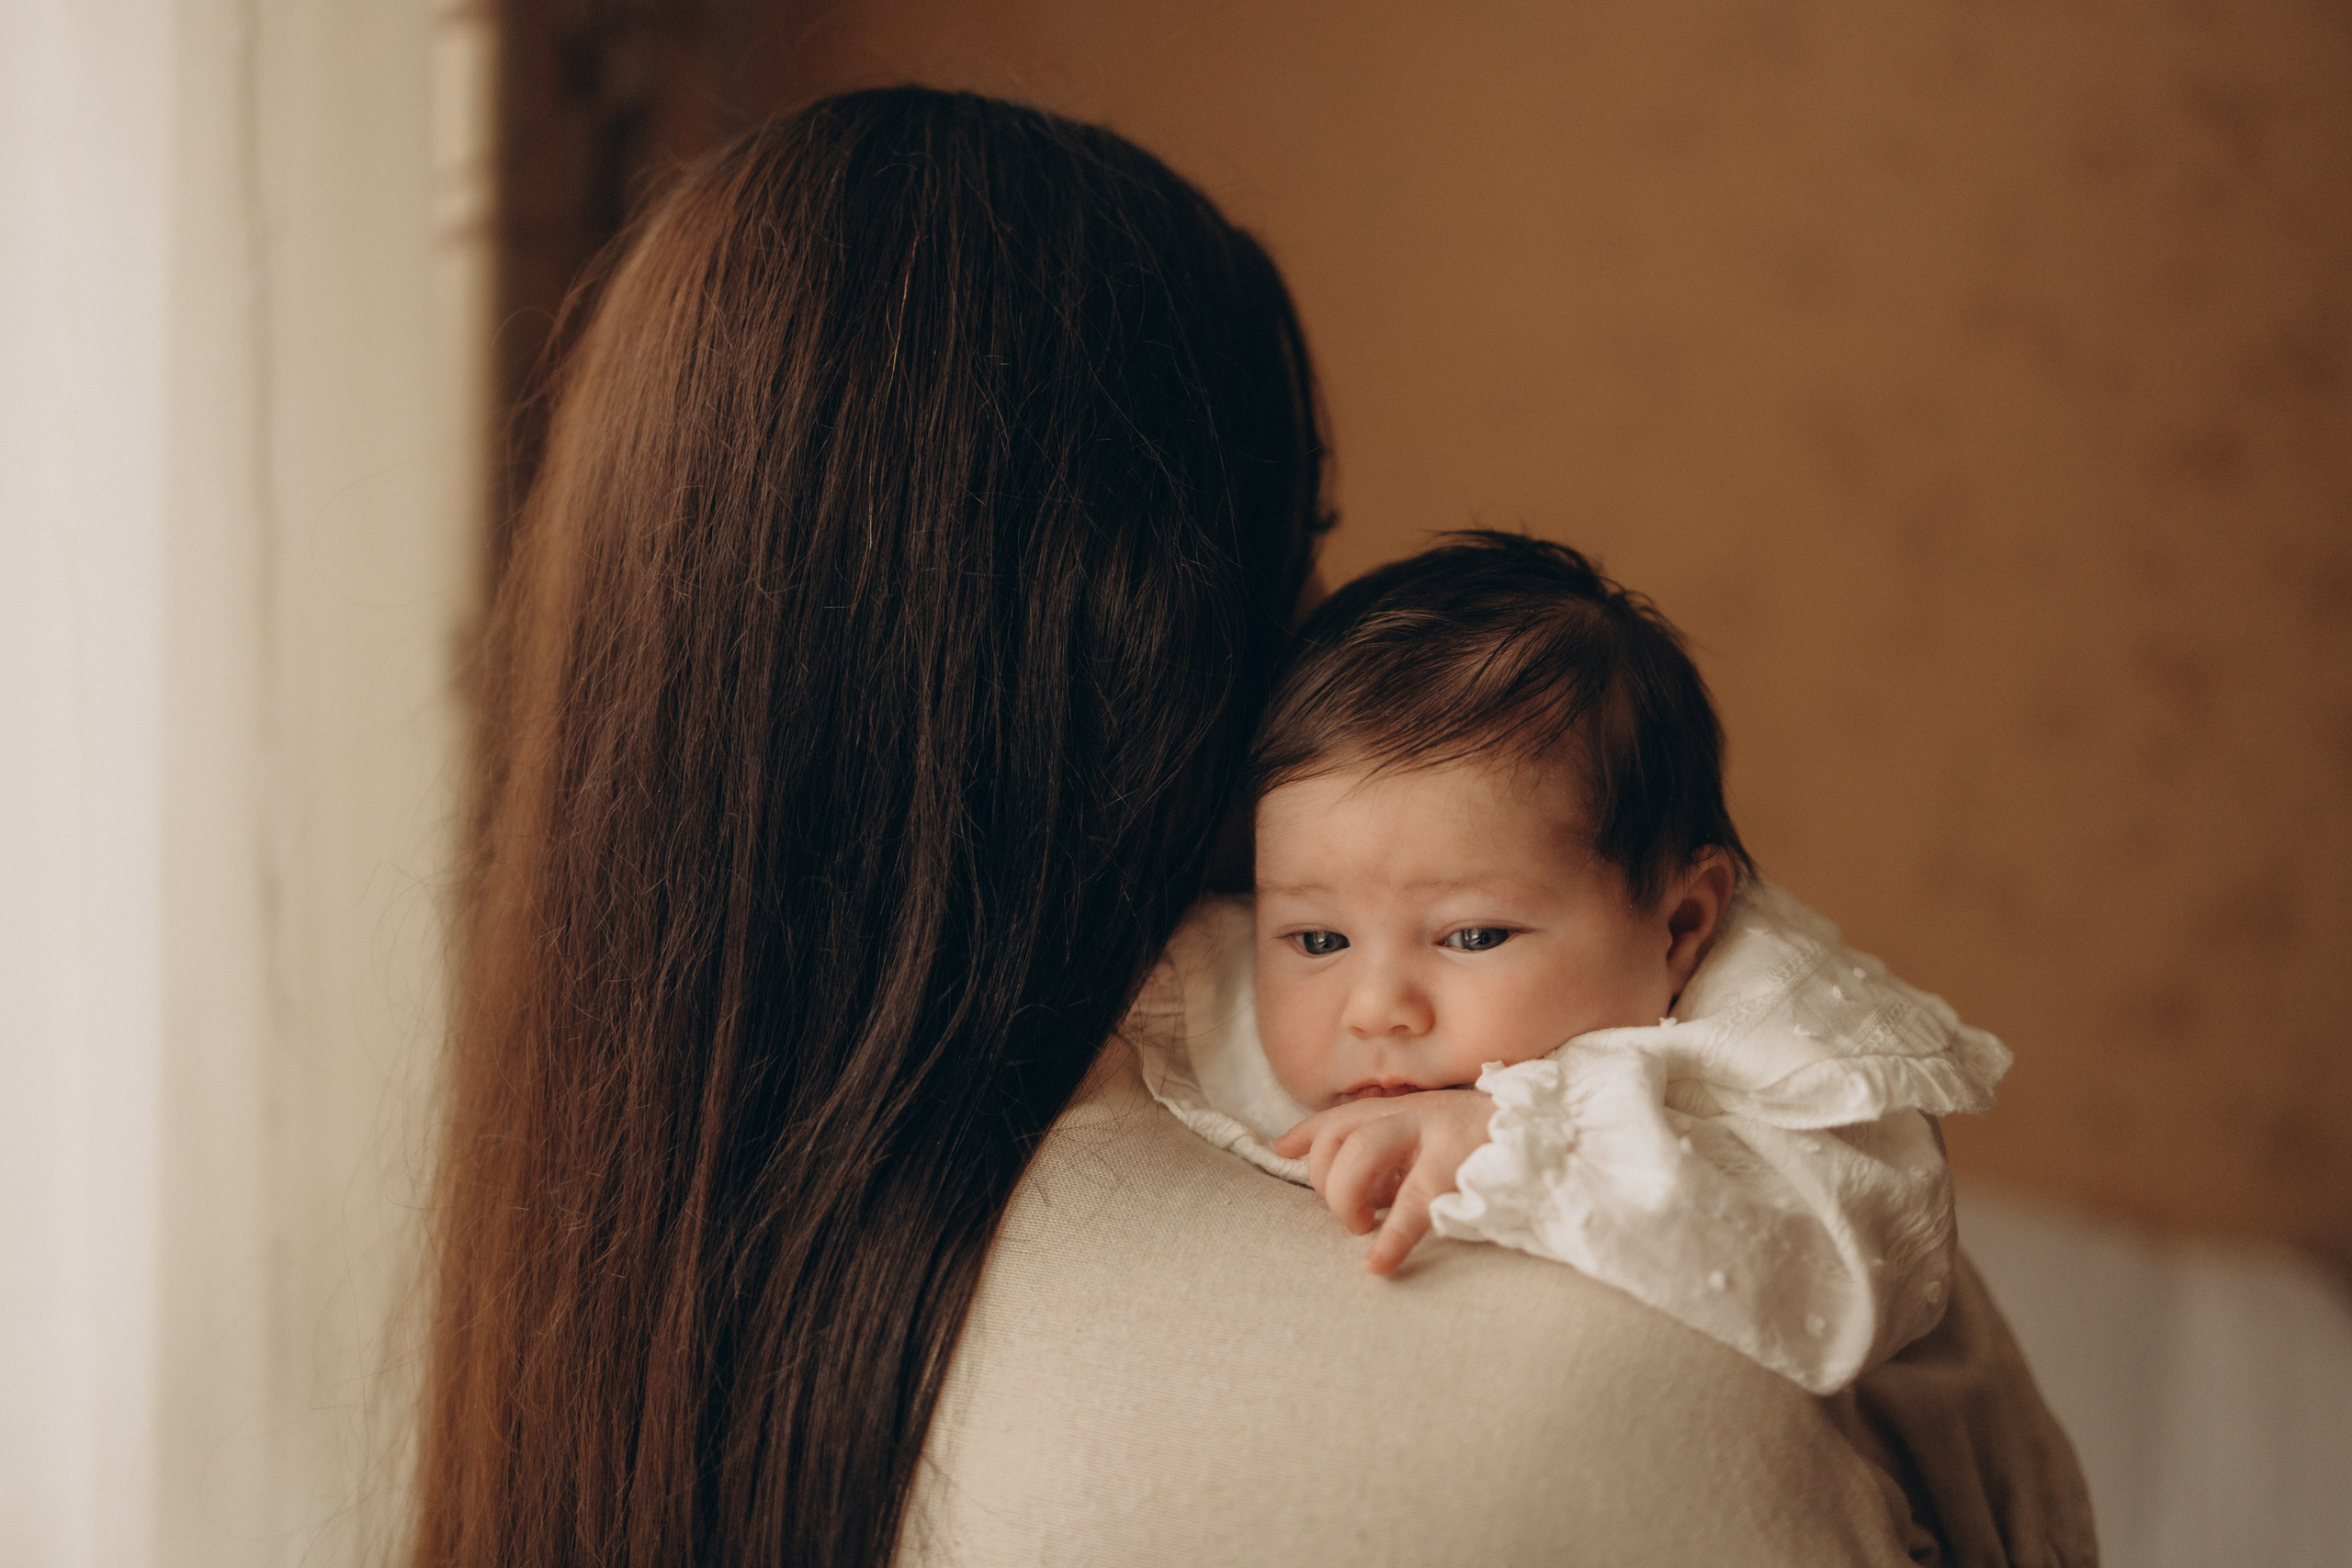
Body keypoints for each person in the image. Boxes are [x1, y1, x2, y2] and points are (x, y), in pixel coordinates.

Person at [413, 85, 2095, 1567]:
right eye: (1297, 555)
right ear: (1127, 641)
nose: (1317, 656)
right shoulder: (1601, 1363)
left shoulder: (593, 1313)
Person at [1128, 532, 2009, 1394]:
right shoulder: (1214, 971)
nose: (1377, 1007)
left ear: (1679, 925)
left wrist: (1518, 1139)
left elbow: (1856, 1263)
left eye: (1474, 936)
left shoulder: (1766, 1013)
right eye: (1320, 941)